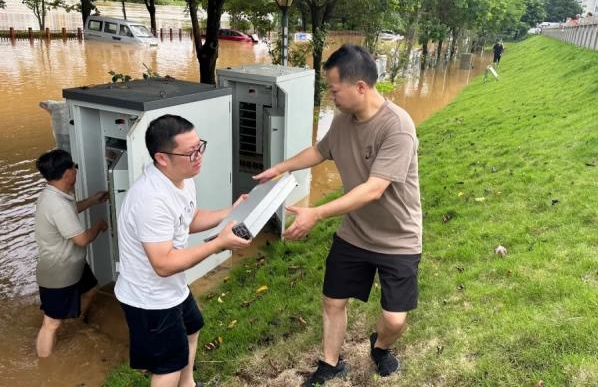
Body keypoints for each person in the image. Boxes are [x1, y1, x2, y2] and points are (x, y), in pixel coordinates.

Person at [253, 44, 422, 386]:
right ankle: (330, 364)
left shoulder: (397, 126)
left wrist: (316, 213)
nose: (331, 97)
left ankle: (380, 347)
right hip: (355, 232)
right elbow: (319, 151)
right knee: (333, 301)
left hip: (398, 237)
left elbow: (374, 189)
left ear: (360, 87)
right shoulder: (343, 121)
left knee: (394, 319)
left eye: (334, 90)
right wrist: (281, 168)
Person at [114, 114, 252, 387]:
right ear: (162, 158)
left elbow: (190, 219)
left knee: (192, 328)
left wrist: (231, 212)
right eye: (191, 152)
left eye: (200, 146)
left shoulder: (183, 178)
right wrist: (218, 244)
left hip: (171, 288)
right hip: (149, 298)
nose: (199, 156)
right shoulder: (151, 200)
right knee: (168, 367)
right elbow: (163, 264)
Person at [34, 149, 109, 357]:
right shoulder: (57, 204)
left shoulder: (54, 194)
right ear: (68, 173)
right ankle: (45, 364)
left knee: (91, 289)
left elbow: (69, 211)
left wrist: (93, 200)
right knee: (51, 323)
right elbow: (82, 239)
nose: (76, 170)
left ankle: (76, 324)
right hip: (58, 272)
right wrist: (99, 226)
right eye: (74, 167)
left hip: (73, 264)